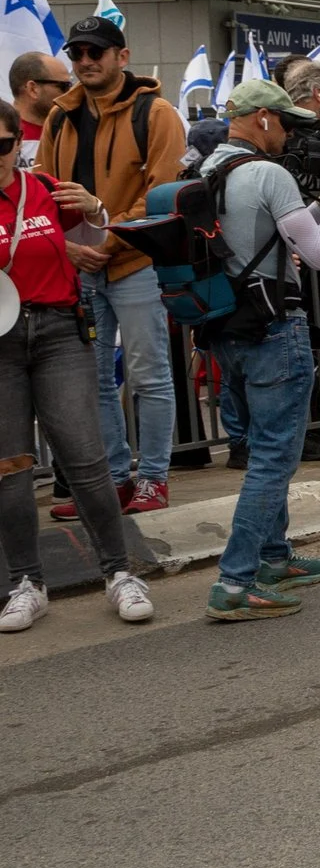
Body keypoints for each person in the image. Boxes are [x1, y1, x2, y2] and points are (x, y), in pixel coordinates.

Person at [196, 81, 320, 620]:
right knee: (272, 459)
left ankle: (273, 555)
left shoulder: (206, 170)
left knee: (260, 451)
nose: (290, 132)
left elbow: (271, 235)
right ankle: (236, 583)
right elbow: (316, 253)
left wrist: (319, 202)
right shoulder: (268, 173)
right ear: (262, 118)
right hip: (274, 330)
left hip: (227, 331)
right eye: (285, 122)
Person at [0, 98, 153, 633]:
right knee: (11, 468)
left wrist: (92, 208)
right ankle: (25, 583)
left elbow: (90, 239)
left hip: (59, 331)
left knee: (86, 458)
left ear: (17, 142)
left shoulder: (42, 190)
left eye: (2, 144)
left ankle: (119, 573)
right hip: (0, 344)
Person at [37, 16, 185, 518]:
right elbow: (45, 197)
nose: (85, 62)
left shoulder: (157, 113)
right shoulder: (60, 117)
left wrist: (107, 234)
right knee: (93, 381)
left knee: (149, 375)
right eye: (77, 53)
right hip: (82, 267)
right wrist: (69, 247)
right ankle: (115, 482)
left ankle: (154, 479)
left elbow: (162, 198)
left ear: (122, 56)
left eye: (95, 52)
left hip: (135, 263)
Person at [9, 52, 67, 172]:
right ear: (33, 89)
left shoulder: (72, 130)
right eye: (64, 86)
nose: (69, 93)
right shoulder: (5, 133)